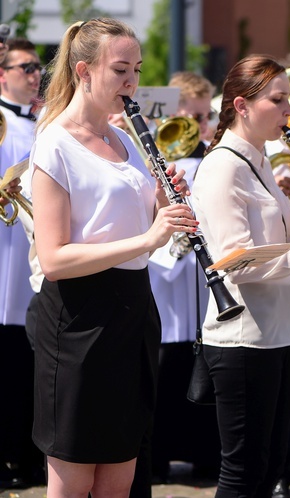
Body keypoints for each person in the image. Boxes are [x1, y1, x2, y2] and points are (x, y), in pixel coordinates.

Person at [30, 18, 196, 497]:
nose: (132, 82)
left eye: (137, 70)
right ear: (83, 71)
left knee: (118, 480)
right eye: (120, 69)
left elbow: (141, 230)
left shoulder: (127, 140)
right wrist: (148, 238)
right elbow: (56, 257)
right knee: (75, 478)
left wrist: (166, 205)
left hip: (132, 309)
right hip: (80, 317)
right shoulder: (55, 144)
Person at [190, 54, 290, 497]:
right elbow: (234, 262)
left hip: (281, 333)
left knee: (271, 466)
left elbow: (276, 244)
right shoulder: (223, 167)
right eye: (278, 100)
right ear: (241, 106)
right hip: (244, 339)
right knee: (243, 472)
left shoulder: (258, 160)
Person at [147, 70, 220, 483]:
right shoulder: (154, 156)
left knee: (202, 365)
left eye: (204, 114)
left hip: (203, 281)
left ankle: (205, 458)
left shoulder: (214, 157)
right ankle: (157, 460)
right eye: (190, 116)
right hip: (164, 276)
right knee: (164, 371)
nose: (200, 125)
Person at [0, 36, 45, 488]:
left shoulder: (44, 123)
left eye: (37, 68)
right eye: (25, 67)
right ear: (3, 73)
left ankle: (29, 458)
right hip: (2, 256)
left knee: (29, 369)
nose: (34, 75)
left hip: (31, 258)